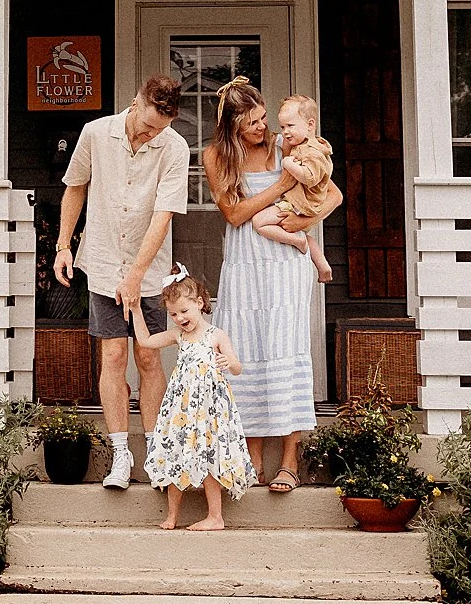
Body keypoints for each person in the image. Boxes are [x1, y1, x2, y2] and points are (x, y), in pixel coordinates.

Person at [52, 74, 190, 490]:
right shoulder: (95, 133)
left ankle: (156, 452)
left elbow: (163, 216)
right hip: (102, 262)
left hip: (148, 272)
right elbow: (74, 189)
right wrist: (63, 245)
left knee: (149, 359)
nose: (151, 134)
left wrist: (135, 277)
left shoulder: (175, 147)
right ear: (136, 102)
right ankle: (120, 455)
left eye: (160, 128)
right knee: (112, 358)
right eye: (147, 125)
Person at [204, 77, 318, 495]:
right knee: (246, 352)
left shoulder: (286, 144)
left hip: (284, 261)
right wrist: (280, 187)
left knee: (284, 348)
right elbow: (233, 215)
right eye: (252, 122)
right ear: (232, 125)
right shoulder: (217, 155)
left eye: (264, 117)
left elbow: (324, 194)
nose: (262, 127)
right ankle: (251, 456)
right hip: (243, 264)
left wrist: (299, 220)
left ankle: (289, 458)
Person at [131, 265, 255, 530]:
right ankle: (172, 515)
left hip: (209, 409)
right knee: (176, 455)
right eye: (173, 314)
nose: (179, 318)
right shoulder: (179, 335)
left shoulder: (216, 335)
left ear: (200, 303)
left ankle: (215, 516)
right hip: (182, 408)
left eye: (184, 311)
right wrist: (135, 310)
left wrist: (228, 362)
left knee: (208, 455)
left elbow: (237, 366)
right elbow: (145, 341)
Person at [248, 94, 342, 283]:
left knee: (259, 222)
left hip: (299, 202)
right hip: (300, 202)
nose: (286, 132)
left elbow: (310, 177)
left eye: (290, 126)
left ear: (310, 124)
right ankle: (323, 267)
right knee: (305, 236)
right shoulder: (303, 146)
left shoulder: (312, 151)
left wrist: (288, 164)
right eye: (283, 127)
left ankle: (298, 241)